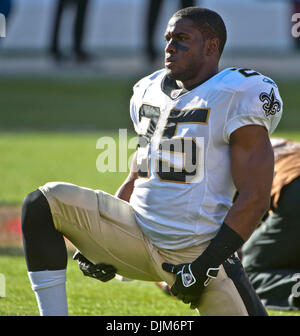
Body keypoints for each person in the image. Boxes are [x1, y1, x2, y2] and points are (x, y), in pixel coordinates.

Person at [22, 7, 283, 316]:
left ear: (211, 47)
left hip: (198, 250)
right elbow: (138, 173)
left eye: (182, 38)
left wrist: (206, 265)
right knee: (42, 204)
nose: (170, 47)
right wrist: (93, 246)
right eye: (168, 38)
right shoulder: (148, 90)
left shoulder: (238, 93)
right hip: (137, 233)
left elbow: (255, 197)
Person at [241, 137, 300, 311]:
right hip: (291, 189)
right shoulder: (282, 143)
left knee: (242, 273)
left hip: (293, 190)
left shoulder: (231, 155)